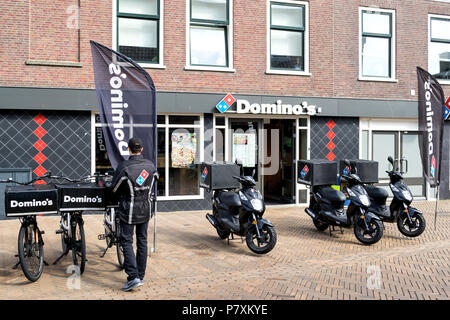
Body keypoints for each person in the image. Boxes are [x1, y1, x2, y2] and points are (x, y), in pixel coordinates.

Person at [111, 137, 157, 292]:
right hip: (146, 208)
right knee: (142, 241)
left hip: (129, 209)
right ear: (141, 149)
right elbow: (155, 181)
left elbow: (114, 189)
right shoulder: (151, 166)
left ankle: (133, 277)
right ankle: (140, 275)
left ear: (129, 149)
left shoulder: (124, 167)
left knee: (127, 241)